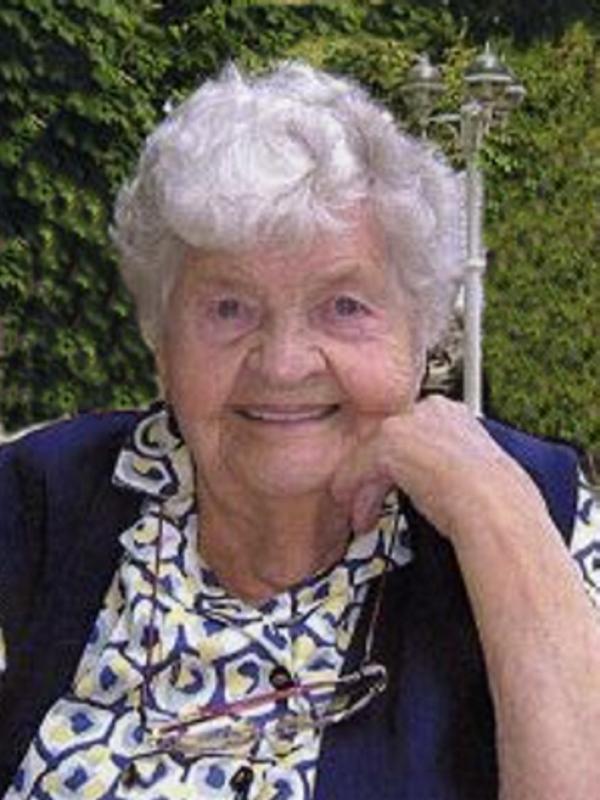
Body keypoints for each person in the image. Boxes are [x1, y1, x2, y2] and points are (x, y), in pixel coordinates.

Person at [0, 61, 599, 800]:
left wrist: (498, 519)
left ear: (421, 336)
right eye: (228, 308)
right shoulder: (47, 498)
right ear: (161, 337)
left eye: (344, 306)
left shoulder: (542, 512)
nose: (284, 365)